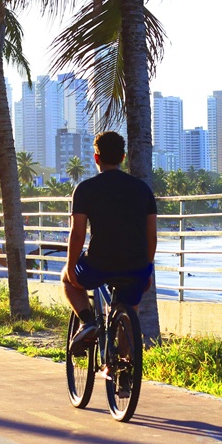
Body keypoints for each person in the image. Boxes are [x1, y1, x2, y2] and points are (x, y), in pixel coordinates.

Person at [63, 131, 157, 354]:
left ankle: (87, 322)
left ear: (96, 158)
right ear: (123, 157)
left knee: (67, 279)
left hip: (98, 264)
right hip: (136, 266)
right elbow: (151, 235)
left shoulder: (85, 189)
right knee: (128, 314)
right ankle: (125, 379)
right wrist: (147, 267)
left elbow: (77, 234)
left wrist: (70, 266)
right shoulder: (143, 189)